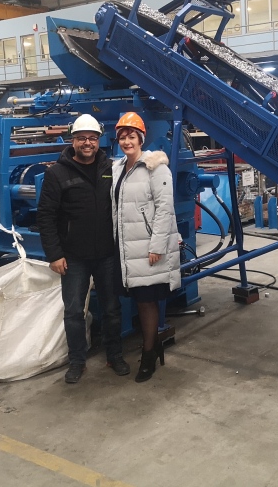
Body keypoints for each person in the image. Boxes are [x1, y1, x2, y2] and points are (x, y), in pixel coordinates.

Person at [37, 114, 129, 384]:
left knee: (112, 309)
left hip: (107, 254)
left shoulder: (111, 168)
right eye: (81, 138)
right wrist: (54, 254)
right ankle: (77, 360)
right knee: (74, 312)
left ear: (99, 140)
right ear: (73, 141)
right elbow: (46, 216)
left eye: (92, 138)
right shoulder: (56, 173)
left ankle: (114, 355)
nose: (87, 143)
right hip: (73, 257)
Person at [111, 112, 181, 383]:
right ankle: (153, 347)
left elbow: (165, 208)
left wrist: (157, 246)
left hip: (148, 246)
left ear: (141, 138)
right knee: (139, 300)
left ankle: (149, 355)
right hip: (126, 247)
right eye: (122, 137)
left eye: (132, 136)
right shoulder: (117, 168)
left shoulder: (156, 167)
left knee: (147, 301)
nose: (127, 142)